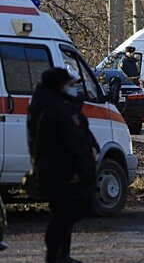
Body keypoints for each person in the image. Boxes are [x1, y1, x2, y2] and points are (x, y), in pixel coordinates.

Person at [28, 68, 99, 263]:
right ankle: (55, 256)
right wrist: (85, 171)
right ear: (60, 86)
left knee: (62, 213)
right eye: (70, 84)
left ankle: (60, 255)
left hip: (55, 170)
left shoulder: (45, 105)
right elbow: (74, 142)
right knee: (65, 214)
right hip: (65, 172)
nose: (73, 88)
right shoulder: (58, 109)